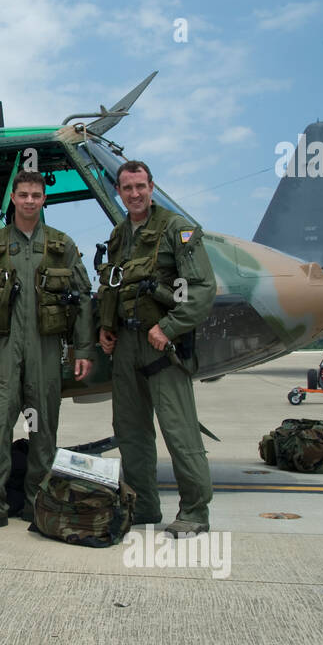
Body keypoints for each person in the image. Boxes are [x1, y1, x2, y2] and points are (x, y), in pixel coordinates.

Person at [0, 171, 94, 533]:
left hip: (45, 350)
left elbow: (82, 299)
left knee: (41, 427)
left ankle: (38, 503)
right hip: (2, 351)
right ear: (13, 199)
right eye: (24, 194)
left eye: (37, 194)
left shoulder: (61, 245)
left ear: (44, 199)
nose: (30, 200)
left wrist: (82, 348)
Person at [97, 160, 216, 538]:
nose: (134, 194)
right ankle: (144, 505)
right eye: (127, 188)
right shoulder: (119, 235)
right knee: (130, 432)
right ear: (119, 191)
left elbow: (200, 289)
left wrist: (168, 327)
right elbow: (113, 287)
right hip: (126, 346)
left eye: (140, 186)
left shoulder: (177, 230)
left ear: (152, 187)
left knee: (178, 430)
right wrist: (106, 327)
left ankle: (195, 511)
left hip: (162, 346)